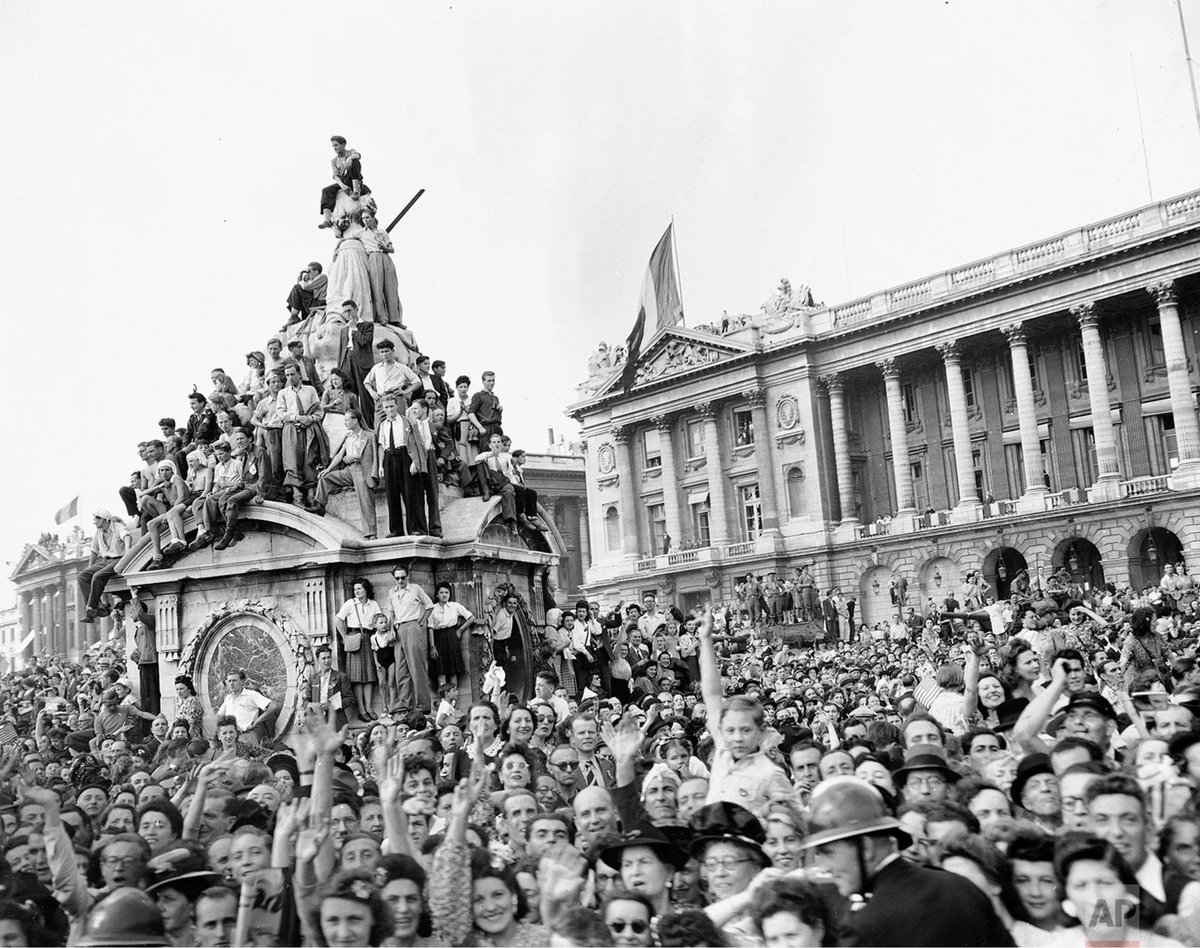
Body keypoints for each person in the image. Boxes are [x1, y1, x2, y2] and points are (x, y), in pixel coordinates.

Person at [803, 777, 1014, 946]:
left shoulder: (864, 927)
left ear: (866, 847)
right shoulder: (960, 887)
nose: (825, 867)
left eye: (829, 853)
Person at [312, 408, 378, 538]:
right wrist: (328, 469)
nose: (345, 423)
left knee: (365, 501)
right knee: (326, 478)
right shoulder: (348, 437)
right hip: (349, 470)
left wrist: (357, 457)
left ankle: (371, 533)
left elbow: (374, 455)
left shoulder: (369, 435)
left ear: (355, 420)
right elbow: (339, 455)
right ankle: (320, 506)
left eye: (347, 420)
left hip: (362, 470)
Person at [277, 361, 326, 507]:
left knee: (309, 458)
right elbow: (281, 412)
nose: (290, 378)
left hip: (308, 428)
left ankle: (311, 495)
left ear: (299, 374)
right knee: (292, 460)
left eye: (292, 374)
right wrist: (297, 418)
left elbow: (319, 410)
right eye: (287, 375)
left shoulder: (310, 390)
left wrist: (309, 419)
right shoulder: (283, 393)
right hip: (291, 428)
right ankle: (297, 496)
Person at [386, 564, 435, 712]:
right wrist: (391, 629)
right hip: (398, 628)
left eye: (403, 577)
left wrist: (420, 622)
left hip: (412, 626)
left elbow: (429, 606)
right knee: (401, 668)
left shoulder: (415, 589)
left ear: (407, 576)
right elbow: (392, 613)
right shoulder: (392, 592)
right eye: (397, 578)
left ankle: (423, 704)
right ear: (394, 578)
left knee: (416, 666)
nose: (400, 580)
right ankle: (405, 702)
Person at [335, 578, 385, 721]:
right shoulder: (350, 603)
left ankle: (369, 708)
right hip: (354, 638)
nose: (357, 591)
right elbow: (338, 619)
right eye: (355, 589)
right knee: (357, 678)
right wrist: (344, 636)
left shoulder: (373, 604)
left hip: (369, 638)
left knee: (369, 676)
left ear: (366, 590)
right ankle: (361, 709)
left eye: (360, 589)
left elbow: (379, 619)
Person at [79, 511, 130, 623]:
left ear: (104, 519)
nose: (94, 522)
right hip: (106, 561)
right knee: (82, 576)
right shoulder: (98, 532)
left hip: (118, 560)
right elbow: (94, 551)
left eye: (96, 519)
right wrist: (89, 569)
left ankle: (91, 609)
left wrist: (128, 554)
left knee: (98, 576)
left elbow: (127, 537)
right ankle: (98, 606)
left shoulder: (118, 527)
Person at [404, 399, 442, 537]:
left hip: (430, 457)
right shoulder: (411, 426)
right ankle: (422, 529)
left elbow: (448, 443)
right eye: (412, 409)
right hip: (417, 459)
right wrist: (414, 461)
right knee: (418, 495)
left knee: (433, 494)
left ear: (424, 409)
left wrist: (442, 457)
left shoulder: (434, 426)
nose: (413, 411)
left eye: (416, 409)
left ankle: (436, 529)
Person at [361, 208, 403, 326]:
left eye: (367, 217)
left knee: (391, 287)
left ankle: (395, 318)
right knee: (377, 287)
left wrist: (385, 248)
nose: (365, 220)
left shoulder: (382, 232)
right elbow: (346, 239)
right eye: (363, 218)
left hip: (385, 257)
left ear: (373, 218)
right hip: (373, 257)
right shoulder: (361, 232)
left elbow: (392, 249)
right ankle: (381, 317)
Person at [319, 136, 371, 230]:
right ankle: (327, 219)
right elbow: (336, 176)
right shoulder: (334, 161)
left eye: (336, 145)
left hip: (354, 178)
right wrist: (342, 185)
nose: (334, 148)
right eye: (333, 146)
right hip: (343, 181)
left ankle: (356, 190)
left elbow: (358, 155)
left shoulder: (351, 152)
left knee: (355, 162)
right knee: (326, 191)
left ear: (343, 144)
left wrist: (350, 158)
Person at [214, 670, 280, 744]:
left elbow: (274, 706)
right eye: (229, 681)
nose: (231, 684)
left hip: (248, 736)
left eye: (234, 680)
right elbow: (219, 715)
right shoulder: (228, 698)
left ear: (242, 682)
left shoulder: (251, 695)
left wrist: (256, 722)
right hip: (233, 738)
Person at [428, 582, 471, 693]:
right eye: (441, 592)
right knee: (440, 671)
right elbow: (431, 628)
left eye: (446, 592)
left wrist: (460, 630)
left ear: (450, 594)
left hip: (452, 637)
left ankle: (453, 702)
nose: (444, 595)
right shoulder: (432, 608)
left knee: (452, 671)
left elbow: (471, 618)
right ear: (437, 595)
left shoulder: (455, 606)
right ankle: (444, 700)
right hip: (438, 638)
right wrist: (433, 647)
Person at [377, 393, 409, 537]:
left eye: (391, 406)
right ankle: (396, 530)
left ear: (397, 406)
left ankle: (413, 527)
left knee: (409, 493)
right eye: (386, 407)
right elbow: (380, 446)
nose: (389, 410)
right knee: (392, 495)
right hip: (389, 457)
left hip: (403, 455)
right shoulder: (382, 424)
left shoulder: (404, 421)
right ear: (383, 409)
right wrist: (380, 465)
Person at [308, 645, 355, 731]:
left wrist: (332, 705)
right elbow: (306, 700)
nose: (327, 661)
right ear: (318, 660)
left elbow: (350, 699)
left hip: (337, 722)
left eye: (329, 657)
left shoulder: (341, 677)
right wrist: (312, 705)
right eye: (324, 658)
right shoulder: (312, 679)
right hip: (318, 724)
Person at [319, 368, 359, 457]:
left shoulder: (351, 395)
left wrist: (346, 410)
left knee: (346, 438)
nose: (334, 381)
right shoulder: (328, 392)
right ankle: (328, 463)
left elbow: (357, 412)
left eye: (336, 379)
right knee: (329, 444)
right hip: (330, 420)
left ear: (343, 379)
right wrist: (332, 405)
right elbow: (321, 408)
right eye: (332, 380)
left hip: (344, 420)